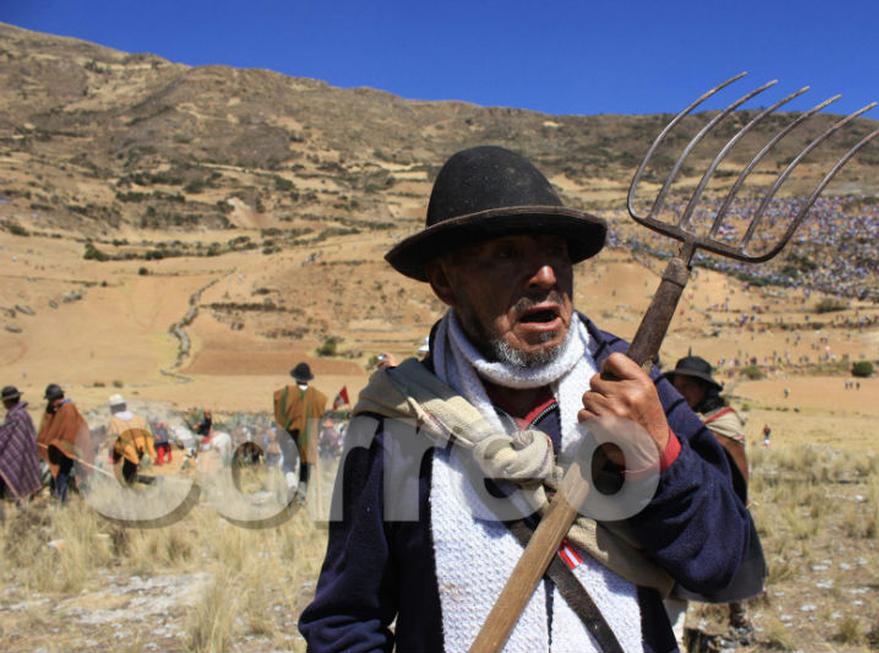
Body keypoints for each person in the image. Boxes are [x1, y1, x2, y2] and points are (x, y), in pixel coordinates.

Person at [299, 146, 761, 652]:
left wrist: (659, 456)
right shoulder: (398, 421)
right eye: (506, 253)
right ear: (444, 281)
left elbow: (729, 570)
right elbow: (345, 622)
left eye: (556, 252)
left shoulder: (637, 391)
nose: (545, 275)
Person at [665, 355, 753, 640]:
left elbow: (730, 470)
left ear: (703, 389)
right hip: (688, 504)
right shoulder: (684, 418)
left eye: (687, 386)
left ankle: (739, 619)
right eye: (676, 385)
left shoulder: (723, 423)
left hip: (722, 505)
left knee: (733, 565)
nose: (680, 392)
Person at [273, 362, 327, 499]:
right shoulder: (319, 398)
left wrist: (278, 438)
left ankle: (292, 485)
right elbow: (319, 421)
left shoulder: (285, 394)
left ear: (295, 377)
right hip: (309, 440)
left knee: (288, 465)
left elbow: (280, 419)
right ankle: (301, 497)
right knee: (305, 469)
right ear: (308, 378)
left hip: (291, 438)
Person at [37, 384, 91, 503]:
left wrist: (56, 443)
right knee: (69, 473)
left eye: (50, 400)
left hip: (72, 449)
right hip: (70, 449)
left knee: (66, 474)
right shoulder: (62, 409)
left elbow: (67, 432)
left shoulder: (67, 409)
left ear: (55, 399)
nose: (50, 403)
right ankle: (66, 497)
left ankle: (63, 500)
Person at [0, 386, 42, 505]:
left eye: (4, 401)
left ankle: (16, 505)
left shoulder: (16, 415)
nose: (3, 404)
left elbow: (5, 436)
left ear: (8, 401)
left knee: (11, 472)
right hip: (23, 452)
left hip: (18, 454)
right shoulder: (23, 413)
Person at [107, 394, 155, 485]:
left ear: (112, 408)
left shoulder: (114, 421)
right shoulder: (137, 418)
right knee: (132, 473)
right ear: (124, 405)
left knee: (128, 477)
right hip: (141, 450)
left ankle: (153, 481)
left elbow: (112, 440)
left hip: (128, 452)